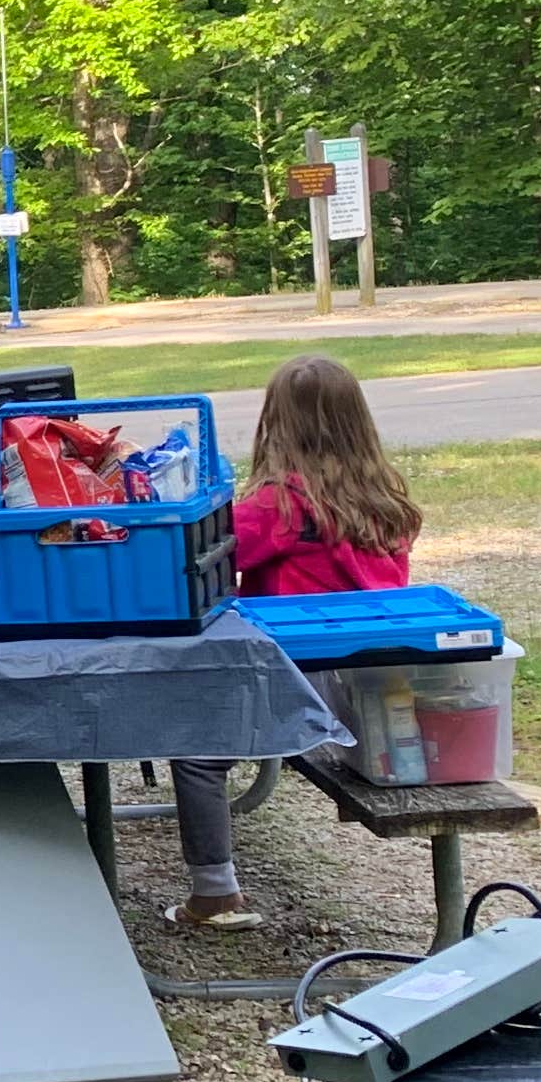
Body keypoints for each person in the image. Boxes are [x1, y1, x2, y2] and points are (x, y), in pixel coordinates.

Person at [164, 354, 419, 932]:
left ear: (274, 424)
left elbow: (200, 560)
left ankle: (214, 895)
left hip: (303, 685)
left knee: (196, 751)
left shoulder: (280, 505)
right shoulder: (385, 499)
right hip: (376, 684)